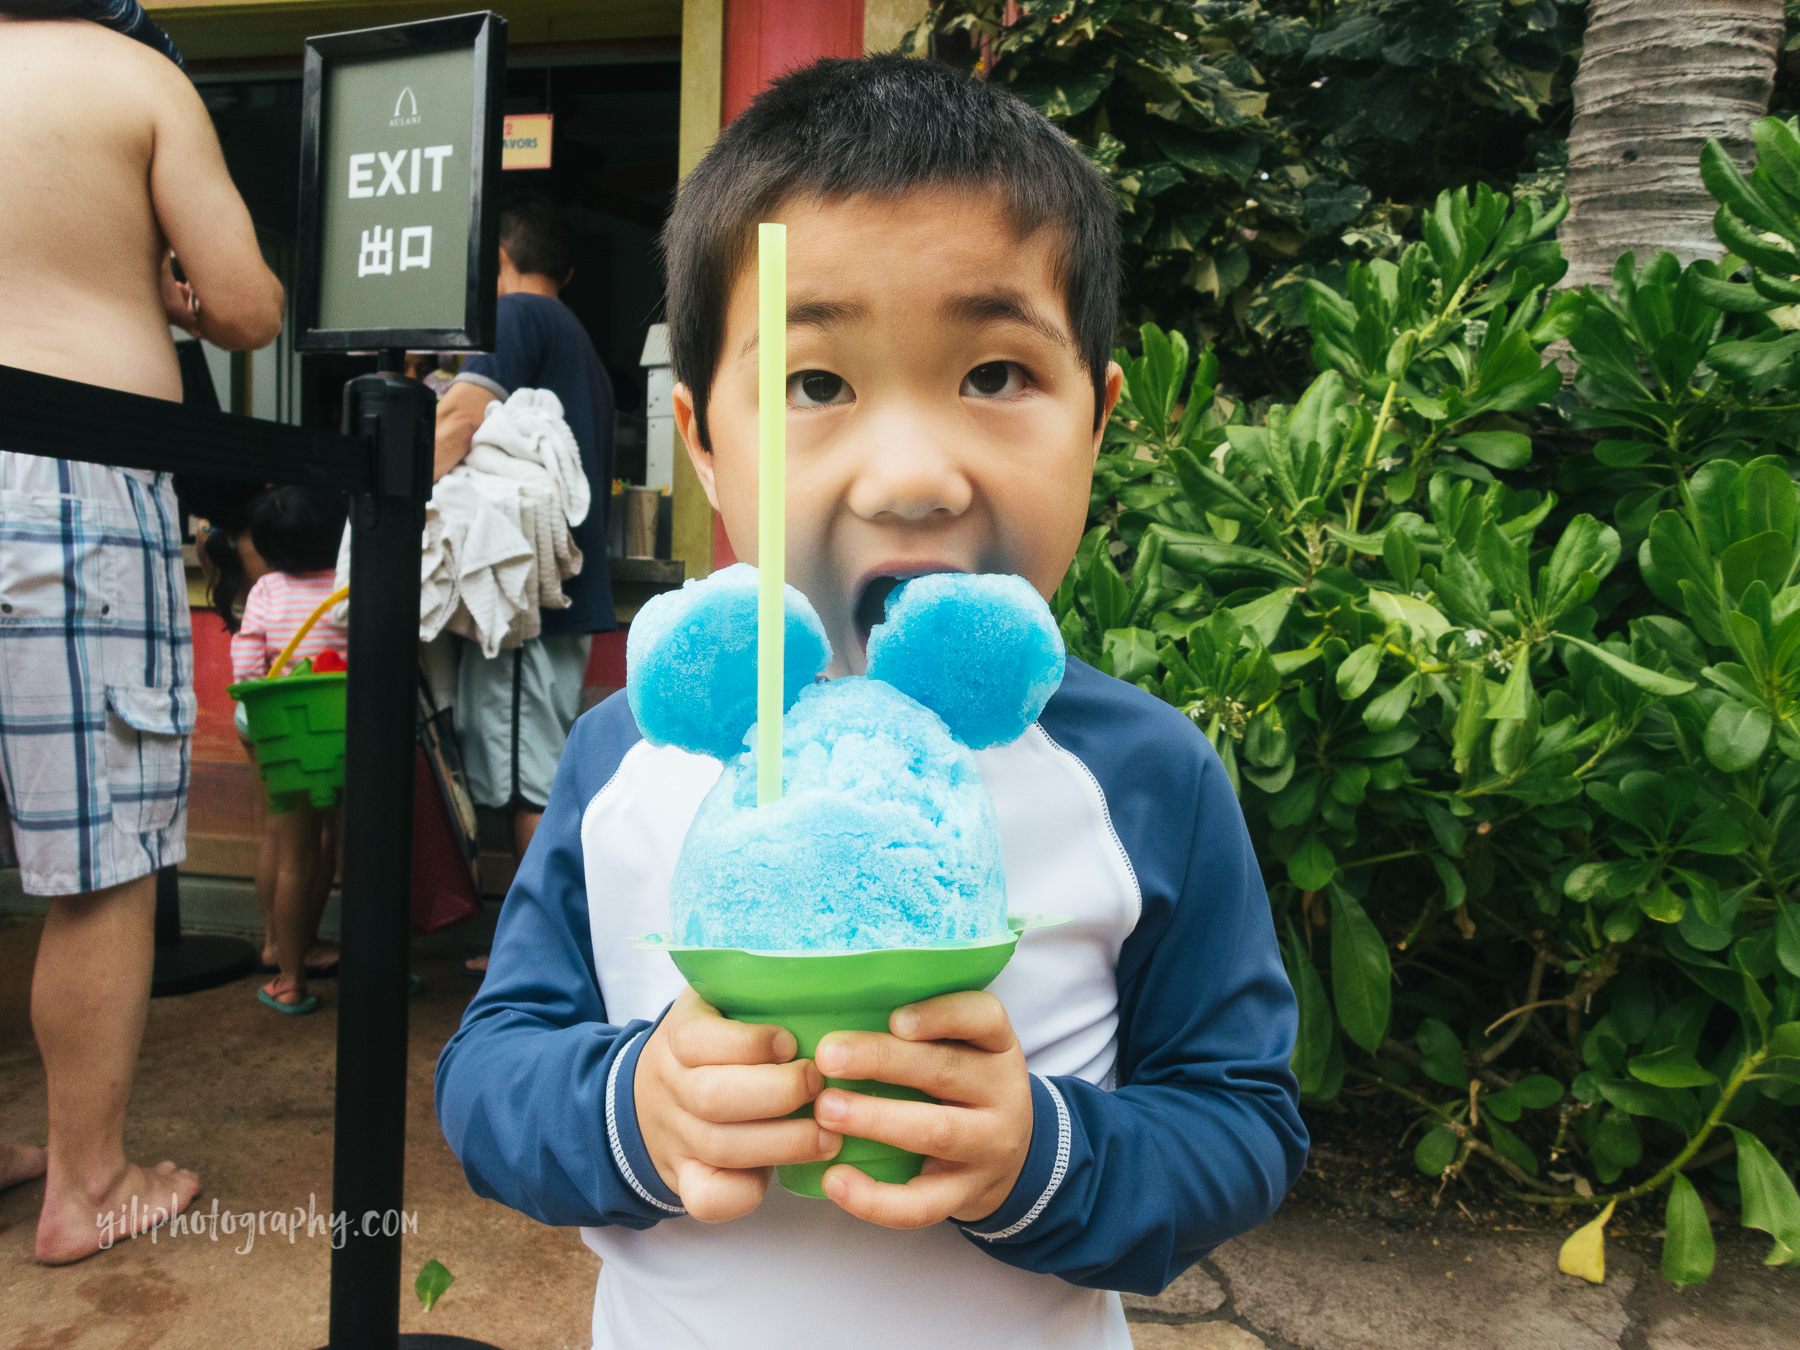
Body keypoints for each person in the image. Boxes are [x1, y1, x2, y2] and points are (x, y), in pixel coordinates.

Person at [435, 55, 1307, 1350]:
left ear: (1099, 421)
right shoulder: (628, 745)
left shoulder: (1141, 770)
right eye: (817, 384)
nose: (909, 476)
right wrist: (635, 1107)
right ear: (703, 438)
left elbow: (1241, 1115)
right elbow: (492, 1066)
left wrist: (1044, 1153)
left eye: (998, 375)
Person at [0, 13, 283, 1260]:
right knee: (104, 858)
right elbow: (244, 306)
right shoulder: (131, 74)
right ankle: (87, 1181)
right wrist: (165, 289)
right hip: (68, 484)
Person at [430, 195, 615, 971]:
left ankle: (538, 958)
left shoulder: (513, 318)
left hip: (526, 609)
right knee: (536, 771)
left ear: (498, 262)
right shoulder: (578, 342)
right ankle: (539, 944)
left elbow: (456, 423)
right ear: (565, 271)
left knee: (526, 785)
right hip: (563, 599)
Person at [228, 487, 349, 1014]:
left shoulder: (266, 590)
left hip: (279, 731)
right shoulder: (350, 588)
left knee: (287, 845)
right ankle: (338, 952)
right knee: (342, 846)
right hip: (340, 730)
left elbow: (246, 667)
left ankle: (288, 969)